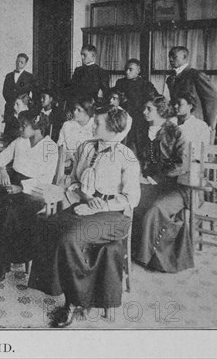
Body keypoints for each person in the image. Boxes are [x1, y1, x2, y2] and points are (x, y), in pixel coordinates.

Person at [28, 105, 140, 328]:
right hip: (85, 205)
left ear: (112, 129)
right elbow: (74, 180)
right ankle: (56, 286)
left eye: (98, 123)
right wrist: (76, 194)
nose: (93, 125)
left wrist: (98, 207)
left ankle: (74, 303)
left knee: (70, 239)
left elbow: (131, 199)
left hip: (114, 216)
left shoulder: (126, 157)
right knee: (49, 224)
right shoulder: (86, 148)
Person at [0, 111, 58, 282]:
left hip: (34, 192)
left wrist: (21, 187)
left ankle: (4, 262)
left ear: (37, 127)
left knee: (11, 211)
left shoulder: (50, 147)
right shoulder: (19, 141)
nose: (20, 128)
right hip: (13, 186)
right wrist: (2, 169)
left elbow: (45, 180)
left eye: (24, 125)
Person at [130, 95, 192, 273]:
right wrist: (138, 174)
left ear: (161, 111)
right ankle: (130, 249)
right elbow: (132, 156)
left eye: (149, 109)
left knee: (154, 210)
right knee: (130, 202)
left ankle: (148, 257)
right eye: (144, 108)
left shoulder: (176, 132)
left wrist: (155, 178)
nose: (144, 112)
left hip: (174, 186)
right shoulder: (140, 130)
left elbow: (181, 164)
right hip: (144, 182)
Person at [166, 46, 217, 129]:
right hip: (178, 122)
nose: (170, 59)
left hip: (196, 122)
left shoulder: (196, 75)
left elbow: (213, 98)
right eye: (169, 56)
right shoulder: (171, 78)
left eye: (174, 56)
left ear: (185, 57)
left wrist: (209, 124)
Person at [114, 58, 159, 147]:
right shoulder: (120, 83)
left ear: (138, 70)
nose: (127, 72)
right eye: (126, 69)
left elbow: (155, 100)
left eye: (130, 69)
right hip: (124, 119)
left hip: (140, 121)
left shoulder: (146, 85)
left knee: (140, 146)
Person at [57, 97, 95, 170]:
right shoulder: (67, 125)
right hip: (66, 165)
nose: (75, 112)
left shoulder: (95, 127)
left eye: (79, 110)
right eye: (74, 109)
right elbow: (60, 146)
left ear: (88, 111)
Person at [175, 92, 211, 161]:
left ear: (190, 106)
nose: (175, 106)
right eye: (175, 103)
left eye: (179, 104)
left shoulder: (200, 126)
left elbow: (201, 153)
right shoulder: (170, 123)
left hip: (191, 165)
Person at [2, 53, 35, 121]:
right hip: (10, 108)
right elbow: (5, 92)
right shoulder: (9, 76)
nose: (18, 63)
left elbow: (34, 92)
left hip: (22, 107)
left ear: (25, 64)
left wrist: (27, 100)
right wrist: (13, 102)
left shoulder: (29, 77)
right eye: (17, 61)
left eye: (21, 62)